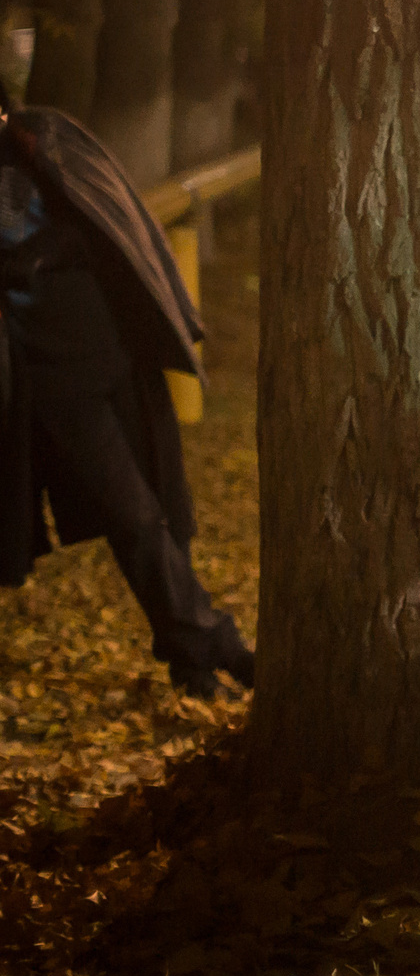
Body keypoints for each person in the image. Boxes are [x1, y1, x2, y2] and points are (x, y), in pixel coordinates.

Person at [0, 100, 251, 698]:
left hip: (119, 351)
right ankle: (218, 642)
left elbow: (115, 218)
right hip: (57, 380)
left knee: (168, 507)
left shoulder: (47, 139)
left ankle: (193, 667)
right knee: (132, 515)